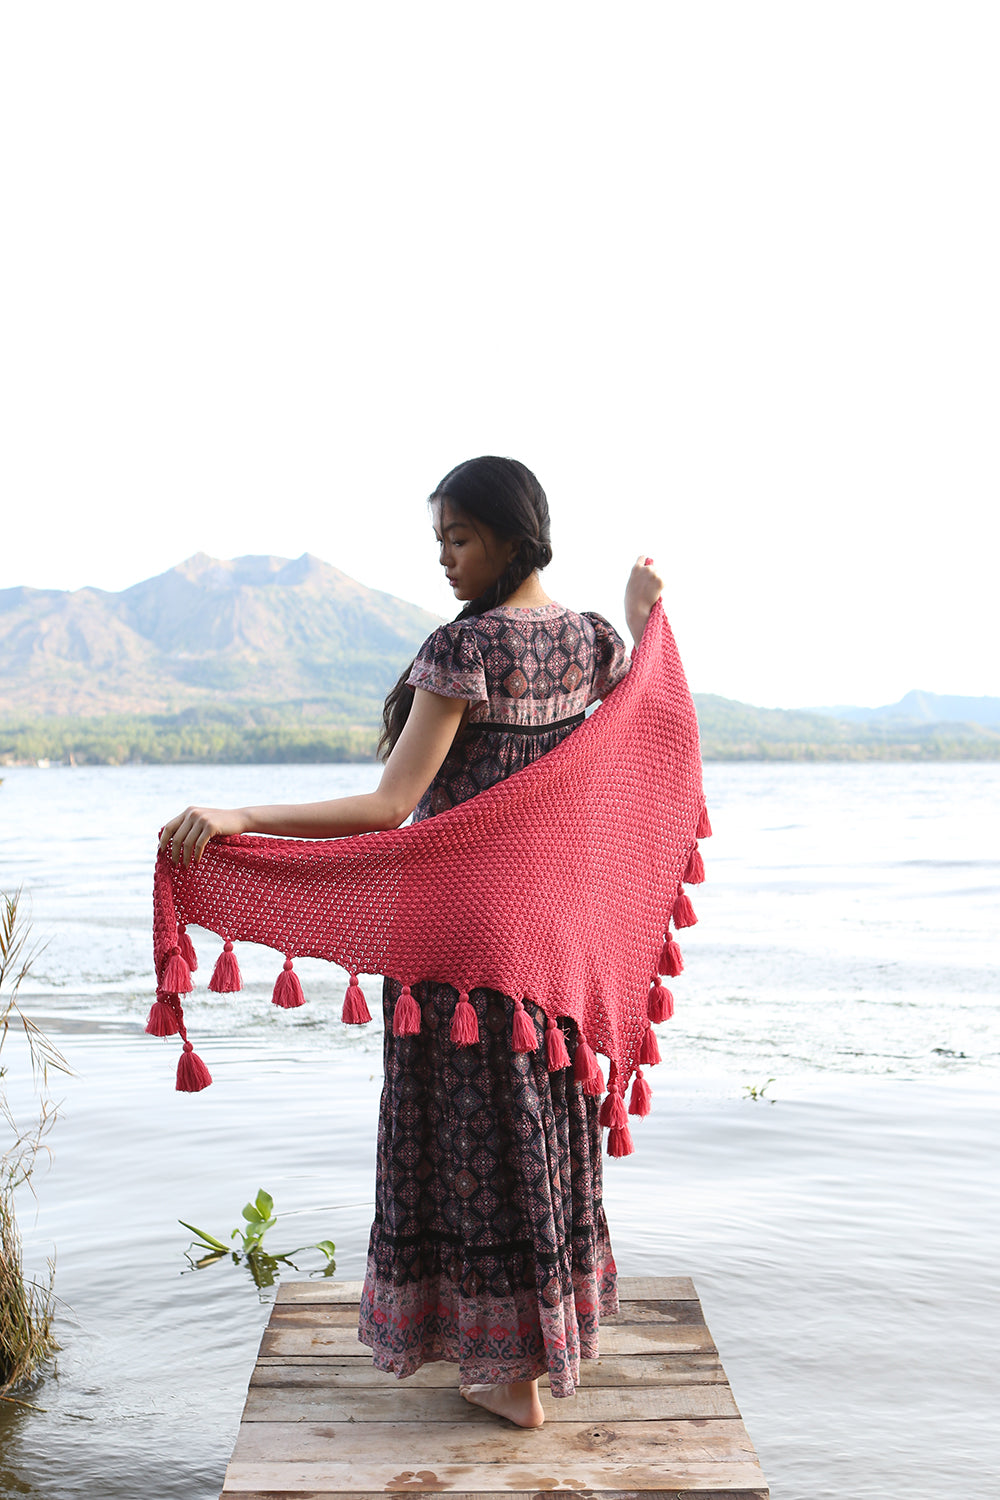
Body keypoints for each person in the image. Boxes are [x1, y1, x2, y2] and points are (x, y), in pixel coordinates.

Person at [159, 456, 663, 1427]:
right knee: (533, 1135)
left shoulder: (461, 652)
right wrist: (645, 618)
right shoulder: (595, 643)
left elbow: (390, 807)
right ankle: (539, 1341)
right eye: (438, 541)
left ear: (514, 536)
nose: (444, 559)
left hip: (458, 944)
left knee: (469, 1143)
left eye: (459, 538)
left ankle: (507, 1378)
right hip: (548, 949)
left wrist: (240, 813)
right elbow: (650, 718)